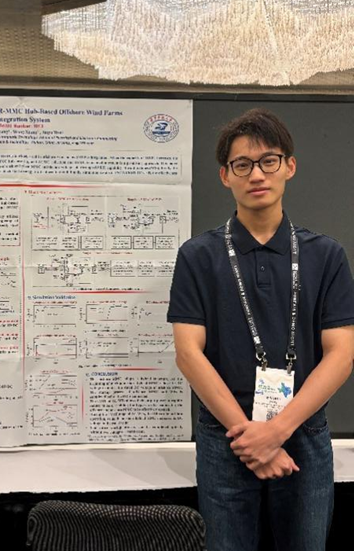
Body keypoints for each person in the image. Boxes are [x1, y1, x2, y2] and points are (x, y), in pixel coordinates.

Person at [167, 108, 354, 551]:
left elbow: (342, 354)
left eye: (269, 161)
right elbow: (188, 354)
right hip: (226, 436)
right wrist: (251, 438)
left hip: (304, 430)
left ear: (290, 166)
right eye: (242, 164)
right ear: (224, 175)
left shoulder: (326, 255)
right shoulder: (197, 256)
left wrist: (277, 431)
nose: (256, 174)